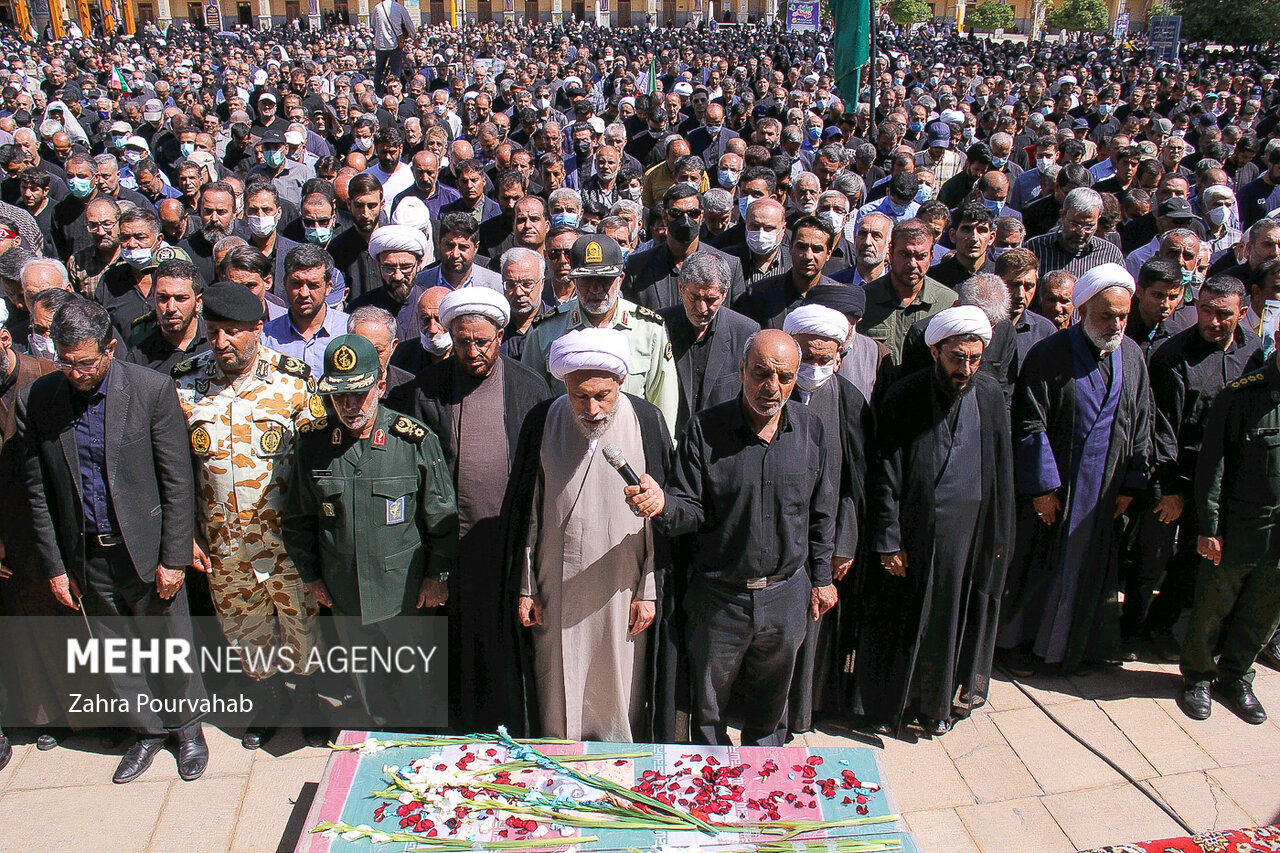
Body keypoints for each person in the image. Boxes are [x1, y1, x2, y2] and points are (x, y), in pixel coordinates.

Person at [18, 298, 207, 784]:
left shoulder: (149, 390)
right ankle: (147, 731)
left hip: (144, 549)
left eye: (85, 362)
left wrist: (173, 557)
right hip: (87, 554)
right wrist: (56, 566)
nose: (76, 372)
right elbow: (38, 491)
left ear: (109, 347)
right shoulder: (39, 399)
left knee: (170, 645)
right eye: (66, 362)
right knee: (117, 651)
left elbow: (177, 481)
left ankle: (188, 731)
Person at [626, 329, 838, 747]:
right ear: (742, 370)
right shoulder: (705, 431)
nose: (771, 388)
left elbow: (821, 510)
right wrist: (662, 504)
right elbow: (690, 509)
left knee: (770, 713)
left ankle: (764, 790)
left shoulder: (812, 430)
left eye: (784, 377)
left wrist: (822, 577)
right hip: (720, 600)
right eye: (761, 373)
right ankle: (711, 798)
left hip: (785, 597)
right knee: (707, 713)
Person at [173, 282, 327, 750]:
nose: (221, 343)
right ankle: (270, 701)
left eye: (233, 333)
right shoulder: (185, 384)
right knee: (247, 632)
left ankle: (311, 704)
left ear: (258, 329)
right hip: (224, 544)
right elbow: (174, 469)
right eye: (214, 332)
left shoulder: (294, 380)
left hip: (286, 542)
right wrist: (187, 537)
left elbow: (318, 461)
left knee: (303, 625)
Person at [852, 306, 1014, 736]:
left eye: (974, 359)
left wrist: (996, 540)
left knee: (951, 621)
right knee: (905, 621)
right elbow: (885, 472)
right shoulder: (905, 395)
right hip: (912, 537)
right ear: (936, 351)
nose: (965, 368)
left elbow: (999, 472)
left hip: (966, 538)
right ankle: (895, 704)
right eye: (956, 358)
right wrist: (888, 540)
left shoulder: (990, 394)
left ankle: (938, 704)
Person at [505, 327, 674, 741]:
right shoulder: (542, 420)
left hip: (621, 586)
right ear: (564, 384)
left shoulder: (646, 420)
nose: (593, 408)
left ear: (621, 382)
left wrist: (648, 590)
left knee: (617, 687)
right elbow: (526, 512)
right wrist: (526, 587)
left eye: (603, 395)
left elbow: (660, 517)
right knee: (555, 693)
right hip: (554, 584)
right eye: (580, 396)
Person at [282, 334, 458, 728]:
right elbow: (297, 518)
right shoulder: (313, 445)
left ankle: (421, 755)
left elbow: (441, 515)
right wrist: (310, 577)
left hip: (404, 593)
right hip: (345, 593)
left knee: (418, 688)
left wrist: (437, 575)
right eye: (338, 396)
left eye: (358, 393)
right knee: (368, 688)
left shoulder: (411, 440)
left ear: (380, 384)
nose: (349, 406)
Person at [999, 264, 1152, 675]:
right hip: (1058, 493)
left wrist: (1132, 484)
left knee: (1092, 573)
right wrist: (1043, 489)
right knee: (1037, 570)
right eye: (1107, 315)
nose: (1117, 324)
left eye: (1123, 315)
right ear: (1083, 310)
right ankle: (1021, 645)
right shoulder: (1049, 354)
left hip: (1104, 493)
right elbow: (1031, 424)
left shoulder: (1132, 355)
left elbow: (1141, 421)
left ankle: (1079, 647)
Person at [410, 287, 550, 730]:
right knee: (455, 642)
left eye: (482, 342)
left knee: (506, 642)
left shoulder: (529, 386)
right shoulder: (428, 390)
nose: (472, 351)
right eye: (463, 341)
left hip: (508, 543)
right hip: (453, 545)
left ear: (501, 336)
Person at [1129, 275, 1261, 662]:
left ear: (1241, 313)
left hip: (1223, 480)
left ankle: (1162, 623)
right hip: (1176, 475)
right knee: (1150, 558)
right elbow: (1161, 427)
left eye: (1223, 315)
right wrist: (1169, 488)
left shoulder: (1254, 352)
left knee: (1193, 558)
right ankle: (1130, 629)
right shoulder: (1174, 355)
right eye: (1205, 311)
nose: (1212, 322)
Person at [781, 305, 872, 734]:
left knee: (816, 626)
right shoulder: (772, 393)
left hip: (827, 537)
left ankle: (807, 709)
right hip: (778, 536)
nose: (814, 369)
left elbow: (857, 483)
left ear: (839, 356)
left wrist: (844, 544)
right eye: (807, 358)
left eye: (825, 360)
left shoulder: (850, 401)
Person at [1178, 339, 1280, 725]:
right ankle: (1199, 677)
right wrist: (1210, 527)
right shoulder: (1242, 396)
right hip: (1241, 527)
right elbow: (1213, 468)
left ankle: (1236, 676)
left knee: (1264, 613)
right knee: (1212, 608)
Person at [522, 234, 680, 437]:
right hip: (567, 446)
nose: (596, 289)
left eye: (605, 280)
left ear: (620, 279)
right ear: (573, 280)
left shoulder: (649, 330)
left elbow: (663, 404)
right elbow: (530, 401)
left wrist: (660, 455)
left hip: (630, 444)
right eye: (587, 280)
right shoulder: (545, 331)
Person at [658, 253, 759, 434]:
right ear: (680, 288)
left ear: (725, 294)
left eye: (711, 300)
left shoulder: (745, 332)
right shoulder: (658, 326)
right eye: (694, 297)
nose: (701, 308)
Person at [861, 219, 958, 365]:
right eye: (905, 255)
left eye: (921, 257)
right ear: (890, 252)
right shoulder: (864, 300)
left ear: (931, 256)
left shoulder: (948, 303)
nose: (912, 264)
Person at [126, 258, 209, 374]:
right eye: (163, 298)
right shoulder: (139, 359)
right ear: (153, 298)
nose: (171, 308)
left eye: (181, 298)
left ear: (198, 302)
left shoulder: (217, 343)